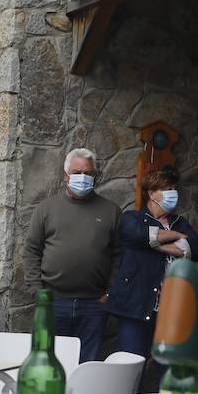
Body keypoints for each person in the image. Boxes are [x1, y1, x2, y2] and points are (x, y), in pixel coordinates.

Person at [105, 165, 198, 385]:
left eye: (174, 188)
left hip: (171, 311)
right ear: (151, 193)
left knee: (168, 371)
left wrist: (159, 244)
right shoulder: (132, 218)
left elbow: (196, 248)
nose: (172, 193)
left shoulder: (180, 222)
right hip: (136, 307)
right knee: (131, 369)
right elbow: (139, 235)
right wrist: (176, 237)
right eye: (166, 189)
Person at [23, 147, 120, 362]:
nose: (83, 178)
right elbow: (31, 250)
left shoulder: (111, 211)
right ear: (66, 176)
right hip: (53, 301)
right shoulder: (46, 208)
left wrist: (110, 292)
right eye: (77, 173)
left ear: (95, 176)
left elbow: (119, 255)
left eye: (88, 173)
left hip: (94, 304)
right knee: (49, 361)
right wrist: (37, 292)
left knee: (87, 364)